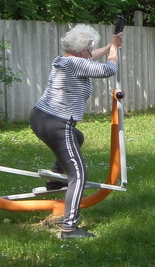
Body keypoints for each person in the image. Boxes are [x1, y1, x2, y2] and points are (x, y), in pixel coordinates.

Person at [30, 24, 121, 238]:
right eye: (89, 48)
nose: (91, 52)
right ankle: (69, 228)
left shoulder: (65, 60)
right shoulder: (76, 63)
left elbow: (89, 59)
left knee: (77, 137)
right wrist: (114, 50)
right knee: (78, 175)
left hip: (41, 117)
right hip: (57, 123)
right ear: (82, 49)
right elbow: (109, 70)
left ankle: (55, 180)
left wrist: (111, 45)